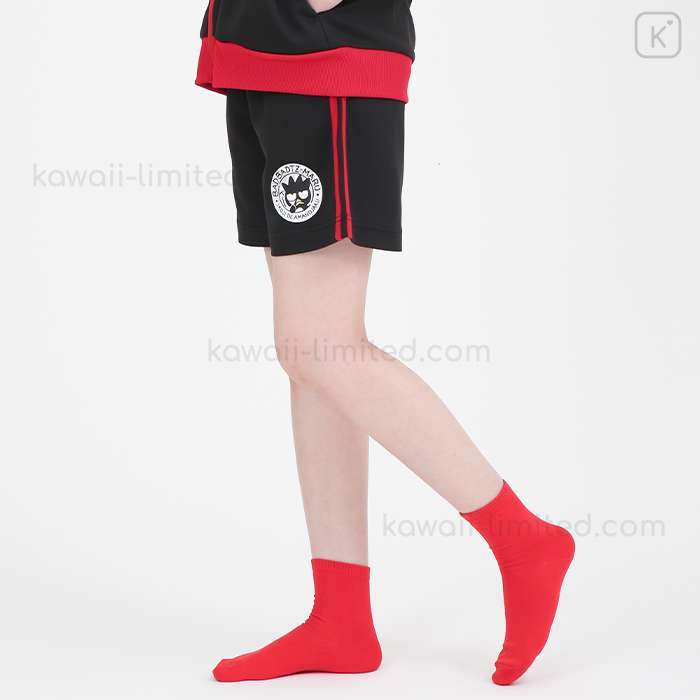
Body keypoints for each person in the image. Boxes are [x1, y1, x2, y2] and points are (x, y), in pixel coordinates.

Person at [195, 0, 574, 686]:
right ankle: (341, 619)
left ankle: (525, 543)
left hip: (325, 53)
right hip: (261, 54)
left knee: (323, 347)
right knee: (310, 356)